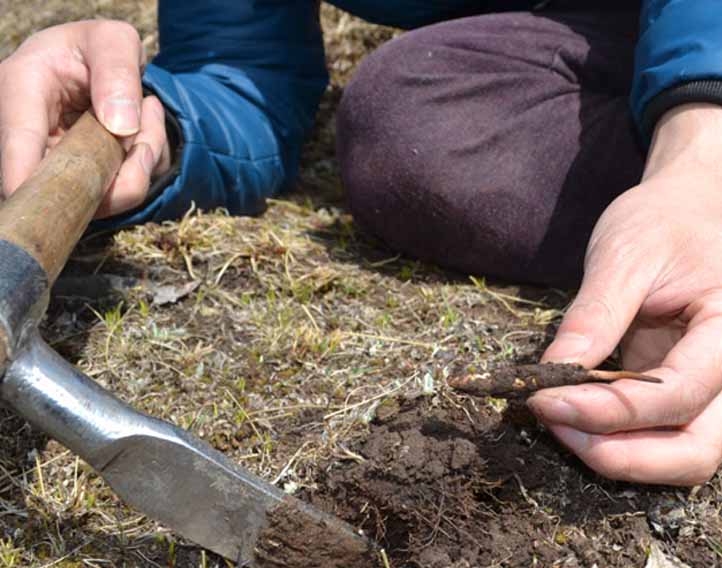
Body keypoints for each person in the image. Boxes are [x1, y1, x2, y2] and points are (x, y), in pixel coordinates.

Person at [1, 1, 721, 487]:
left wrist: (700, 148)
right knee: (411, 130)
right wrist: (158, 134)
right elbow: (243, 72)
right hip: (539, 46)